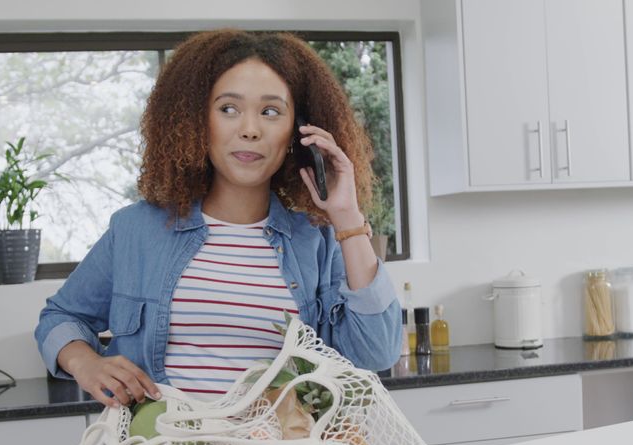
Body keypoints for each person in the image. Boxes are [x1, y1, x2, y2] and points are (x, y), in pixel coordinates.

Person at [35, 29, 402, 408]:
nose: (249, 129)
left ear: (297, 130)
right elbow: (60, 317)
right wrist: (86, 362)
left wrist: (346, 216)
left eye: (270, 111)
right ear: (196, 121)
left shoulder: (318, 241)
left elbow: (376, 353)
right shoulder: (135, 230)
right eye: (228, 108)